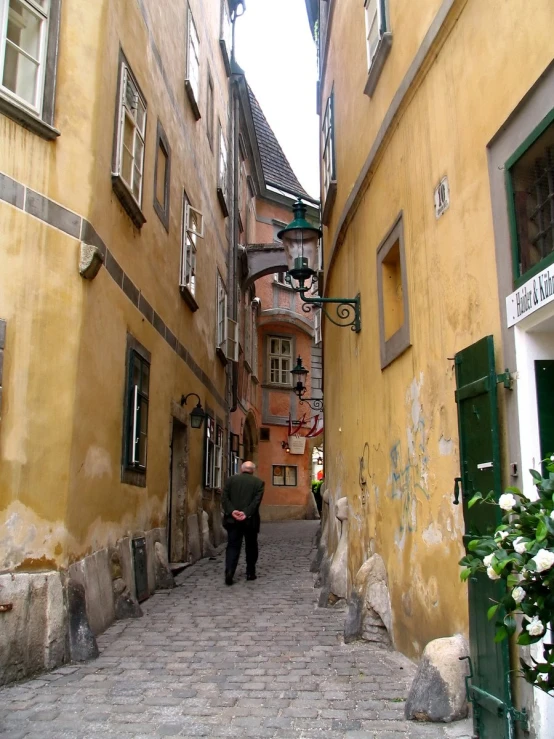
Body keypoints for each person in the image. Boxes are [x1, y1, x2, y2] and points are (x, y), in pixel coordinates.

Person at [222, 461, 265, 586]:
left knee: (232, 546)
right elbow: (256, 502)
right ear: (253, 470)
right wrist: (246, 513)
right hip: (250, 520)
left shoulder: (230, 481)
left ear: (242, 469)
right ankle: (250, 572)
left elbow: (225, 498)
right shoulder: (258, 483)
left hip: (232, 520)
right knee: (251, 546)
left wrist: (232, 511)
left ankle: (230, 571)